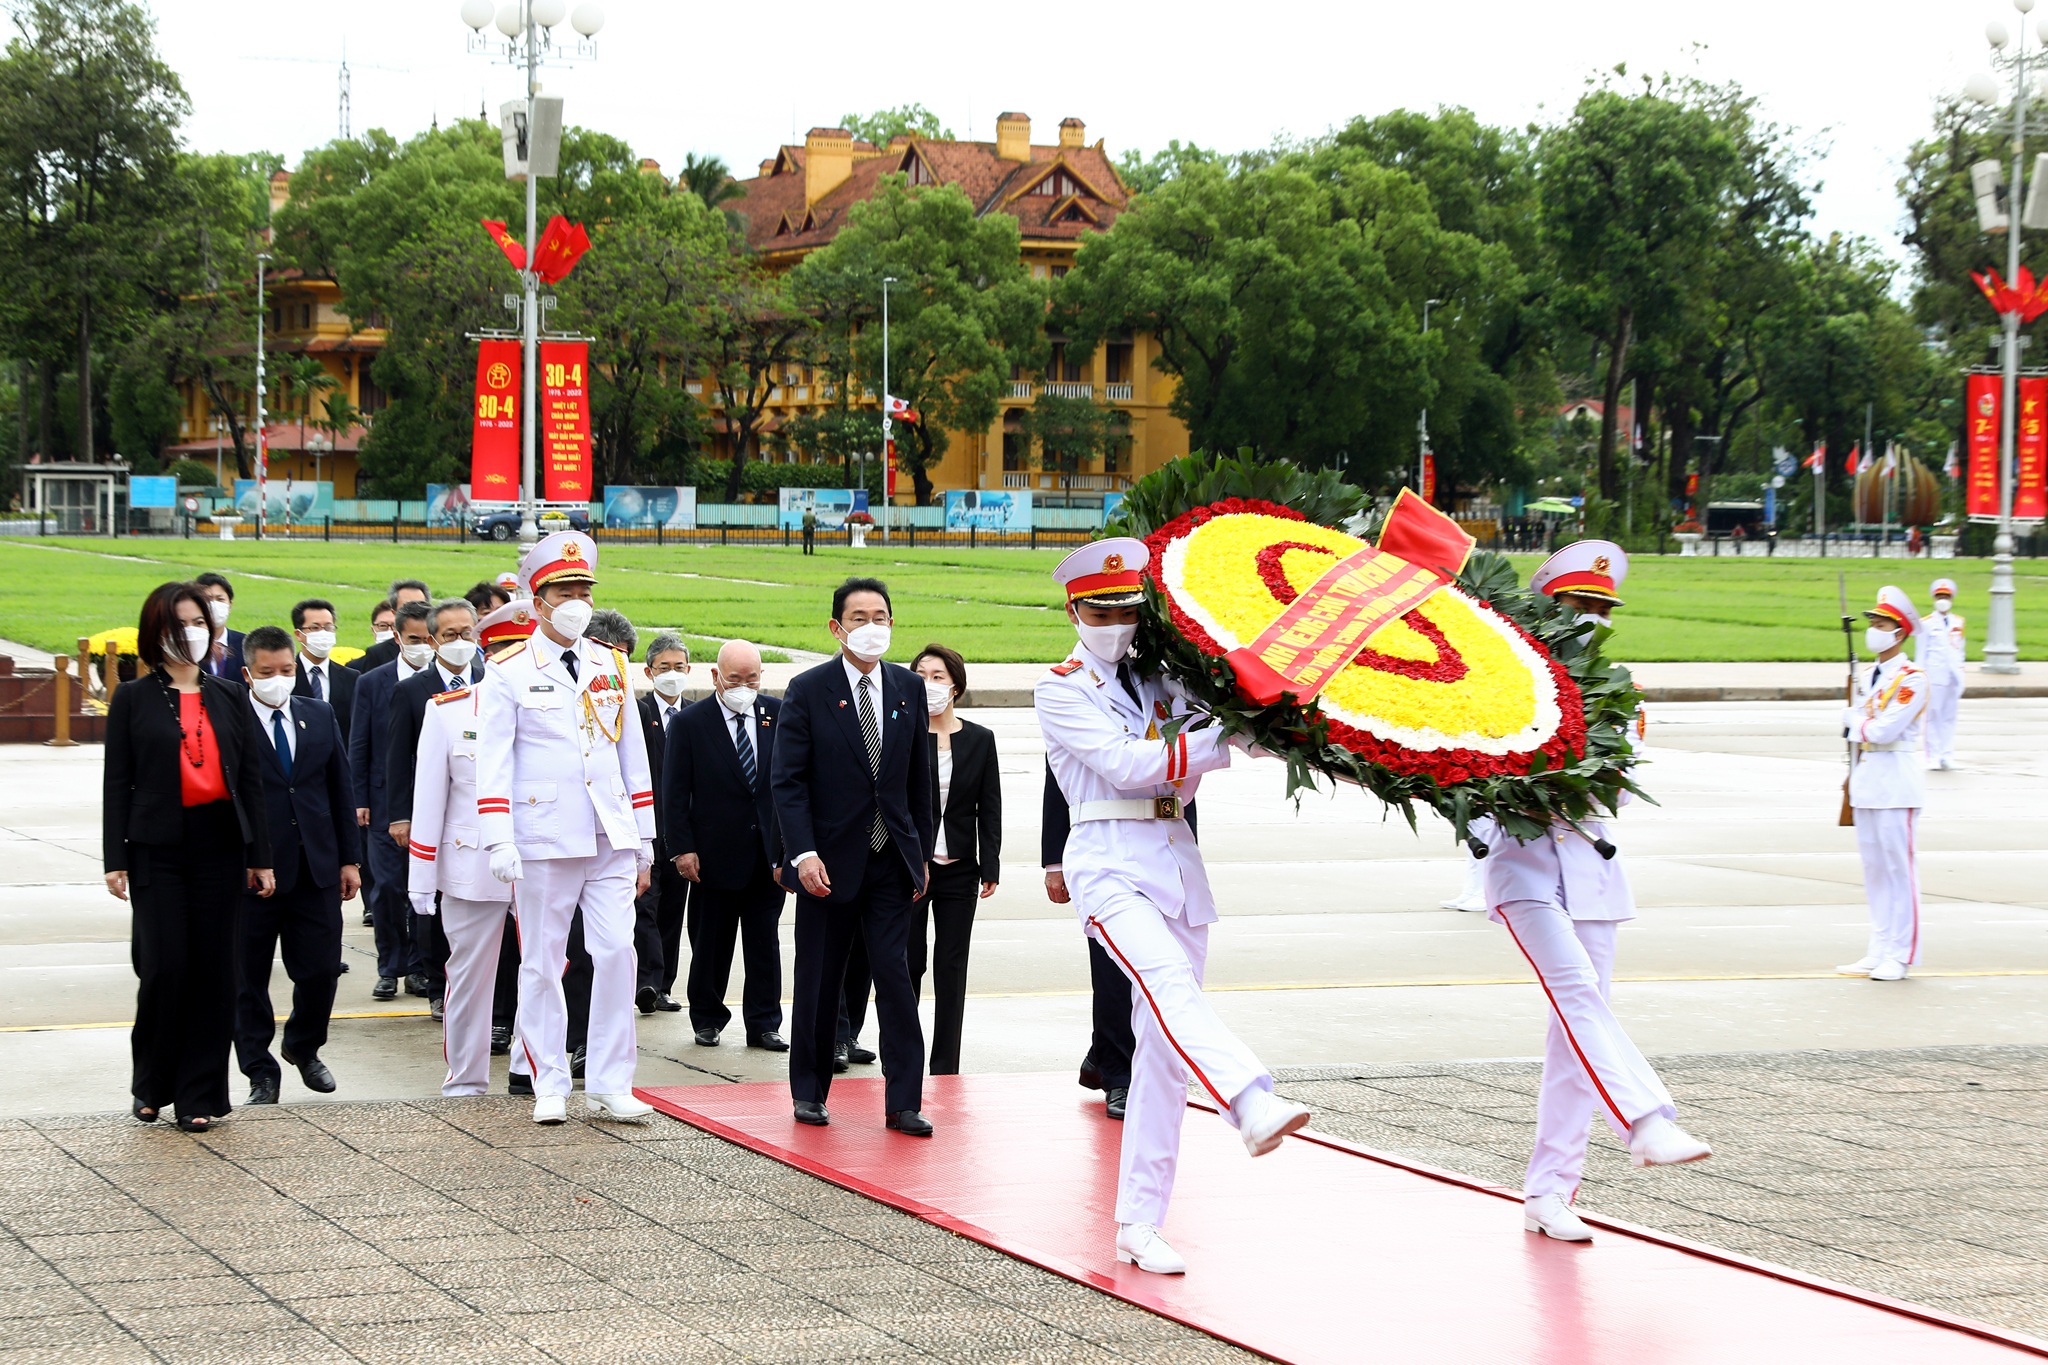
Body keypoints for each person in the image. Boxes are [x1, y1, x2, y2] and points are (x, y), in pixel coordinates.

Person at [1037, 537, 1311, 1275]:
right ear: (1074, 609)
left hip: (1176, 860)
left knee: (1162, 1049)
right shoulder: (1061, 687)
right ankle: (1250, 1098)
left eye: (1129, 609)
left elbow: (1243, 734)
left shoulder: (1164, 679)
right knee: (1166, 984)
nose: (1117, 624)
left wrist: (1286, 713)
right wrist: (1219, 739)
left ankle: (1139, 1222)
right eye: (1102, 609)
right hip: (1106, 858)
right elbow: (1127, 765)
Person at [1504, 540, 1712, 1244]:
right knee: (1576, 993)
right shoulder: (1506, 681)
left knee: (1574, 1035)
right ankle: (1646, 1121)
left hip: (1593, 870)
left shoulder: (1616, 693)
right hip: (1524, 865)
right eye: (1578, 605)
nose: (1591, 618)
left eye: (1600, 608)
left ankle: (1551, 1190)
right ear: (1547, 608)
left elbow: (1613, 783)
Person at [476, 531, 658, 1124]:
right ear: (537, 598)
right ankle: (549, 1078)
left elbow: (632, 752)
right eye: (564, 588)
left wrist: (645, 835)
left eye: (584, 587)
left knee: (616, 953)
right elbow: (494, 759)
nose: (577, 598)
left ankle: (609, 1080)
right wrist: (498, 835)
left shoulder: (611, 662)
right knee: (542, 961)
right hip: (542, 835)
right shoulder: (506, 670)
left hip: (609, 832)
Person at [103, 582, 275, 1133]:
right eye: (180, 623)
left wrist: (260, 856)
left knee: (214, 971)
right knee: (164, 966)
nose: (192, 632)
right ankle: (152, 1083)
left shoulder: (228, 696)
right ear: (156, 630)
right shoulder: (132, 698)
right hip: (156, 847)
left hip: (220, 843)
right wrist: (115, 857)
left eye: (199, 621)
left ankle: (201, 1093)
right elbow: (117, 784)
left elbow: (250, 780)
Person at [770, 578, 934, 1134]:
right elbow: (787, 782)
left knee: (895, 976)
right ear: (837, 627)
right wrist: (803, 854)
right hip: (828, 865)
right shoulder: (808, 689)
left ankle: (904, 1099)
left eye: (881, 616)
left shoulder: (908, 688)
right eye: (859, 616)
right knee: (820, 978)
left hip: (891, 860)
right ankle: (810, 1090)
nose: (872, 626)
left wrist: (921, 856)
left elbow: (920, 782)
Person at [407, 600, 534, 1096]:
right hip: (471, 863)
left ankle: (530, 1067)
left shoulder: (558, 707)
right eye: (505, 649)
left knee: (543, 970)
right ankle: (466, 1078)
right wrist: (421, 880)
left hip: (541, 861)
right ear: (489, 652)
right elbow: (429, 799)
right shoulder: (449, 712)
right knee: (469, 976)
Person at [232, 626, 360, 1104]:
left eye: (287, 671)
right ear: (248, 674)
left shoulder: (318, 713)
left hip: (315, 865)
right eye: (267, 673)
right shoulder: (232, 719)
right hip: (254, 871)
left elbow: (339, 788)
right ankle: (259, 1070)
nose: (279, 680)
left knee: (321, 969)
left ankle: (304, 1046)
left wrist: (350, 859)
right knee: (248, 976)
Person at [665, 639, 788, 1051]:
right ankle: (707, 1017)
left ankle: (765, 1022)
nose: (744, 686)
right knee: (711, 943)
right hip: (712, 856)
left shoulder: (777, 714)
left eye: (751, 678)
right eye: (734, 679)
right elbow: (675, 793)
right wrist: (682, 848)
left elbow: (791, 785)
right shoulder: (690, 723)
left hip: (767, 855)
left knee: (763, 944)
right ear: (716, 676)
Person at [383, 600, 488, 1018]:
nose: (461, 642)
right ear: (432, 640)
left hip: (476, 817)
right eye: (450, 635)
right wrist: (401, 816)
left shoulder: (490, 681)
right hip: (431, 815)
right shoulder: (411, 691)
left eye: (468, 633)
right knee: (431, 900)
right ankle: (435, 983)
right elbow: (399, 757)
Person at [909, 644, 1000, 1075]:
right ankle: (902, 1055)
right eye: (921, 675)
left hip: (961, 868)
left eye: (938, 676)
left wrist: (991, 865)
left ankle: (945, 1063)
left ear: (956, 687)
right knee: (909, 963)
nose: (929, 684)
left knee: (951, 966)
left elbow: (989, 806)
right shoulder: (904, 735)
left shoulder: (980, 740)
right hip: (912, 869)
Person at [1838, 586, 1929, 983]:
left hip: (1896, 780)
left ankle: (1902, 953)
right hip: (1868, 778)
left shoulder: (1912, 679)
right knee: (1874, 869)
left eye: (1881, 624)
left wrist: (1854, 721)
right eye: (1872, 623)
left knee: (1899, 869)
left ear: (1900, 633)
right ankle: (1879, 946)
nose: (1873, 629)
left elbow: (1886, 728)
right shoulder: (1869, 675)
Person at [349, 599, 436, 1001]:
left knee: (425, 890)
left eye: (426, 638)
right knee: (386, 888)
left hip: (433, 801)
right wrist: (360, 797)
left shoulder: (447, 681)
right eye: (413, 639)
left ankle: (419, 967)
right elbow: (361, 743)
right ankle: (390, 966)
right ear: (397, 638)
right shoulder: (372, 682)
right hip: (384, 803)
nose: (421, 646)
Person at [636, 633, 693, 1015]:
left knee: (673, 909)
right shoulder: (638, 713)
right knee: (646, 907)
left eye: (678, 668)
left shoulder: (695, 716)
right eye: (663, 668)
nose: (671, 675)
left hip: (683, 833)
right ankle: (646, 981)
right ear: (648, 672)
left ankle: (664, 984)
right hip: (646, 828)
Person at [290, 598, 355, 740]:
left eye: (328, 627)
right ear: (298, 634)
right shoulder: (286, 676)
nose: (323, 633)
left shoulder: (352, 678)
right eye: (315, 628)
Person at [1919, 577, 1966, 770]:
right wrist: (1921, 676)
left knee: (1949, 717)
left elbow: (1960, 650)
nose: (1942, 599)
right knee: (1933, 715)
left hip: (1953, 676)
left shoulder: (1958, 622)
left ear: (1952, 598)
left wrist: (1961, 675)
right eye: (1939, 596)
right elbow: (1921, 654)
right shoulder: (1926, 623)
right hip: (1934, 675)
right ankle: (1933, 755)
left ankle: (1947, 754)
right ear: (1934, 598)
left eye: (1946, 596)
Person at [349, 579, 430, 673]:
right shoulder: (378, 654)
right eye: (406, 609)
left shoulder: (442, 652)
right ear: (394, 613)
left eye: (420, 608)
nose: (415, 614)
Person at [193, 572, 246, 679]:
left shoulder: (245, 643)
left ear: (230, 605)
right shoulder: (189, 645)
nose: (214, 604)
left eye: (220, 599)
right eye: (207, 599)